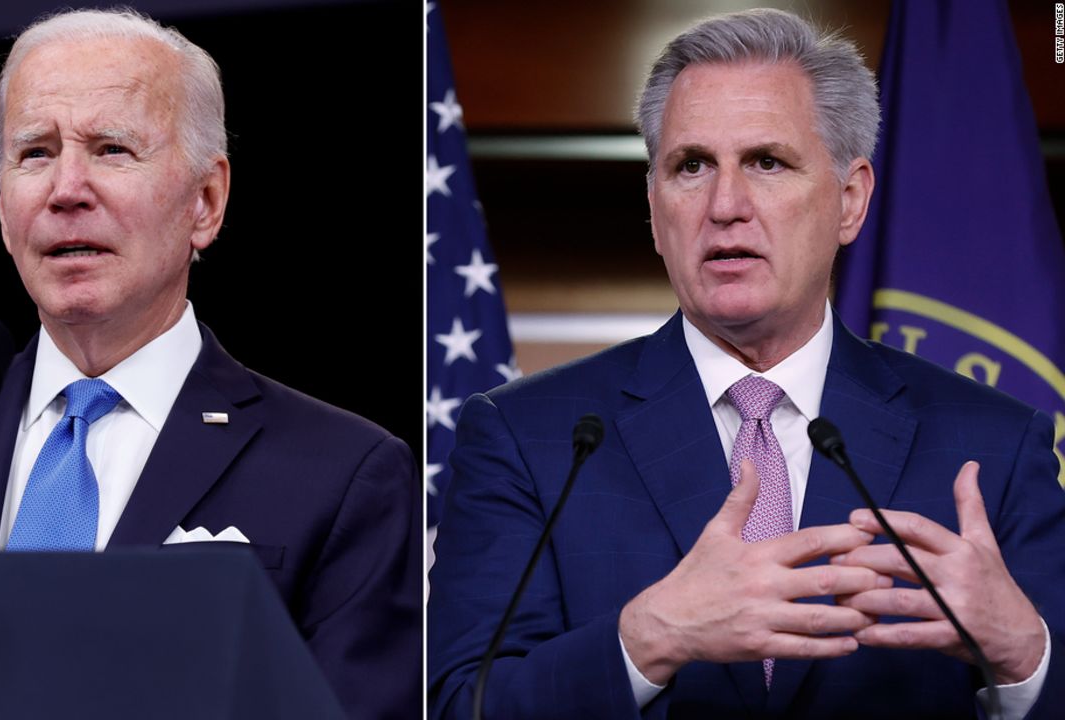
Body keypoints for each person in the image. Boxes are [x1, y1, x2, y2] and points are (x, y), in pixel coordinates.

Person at [428, 9, 1064, 719]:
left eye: (767, 162)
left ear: (850, 200)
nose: (725, 206)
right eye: (691, 166)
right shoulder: (528, 438)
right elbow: (460, 706)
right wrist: (647, 639)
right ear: (654, 206)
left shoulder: (993, 444)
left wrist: (1024, 655)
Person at [0, 8, 420, 720]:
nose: (66, 189)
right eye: (35, 152)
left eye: (112, 150)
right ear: (3, 202)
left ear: (206, 201)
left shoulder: (343, 476)